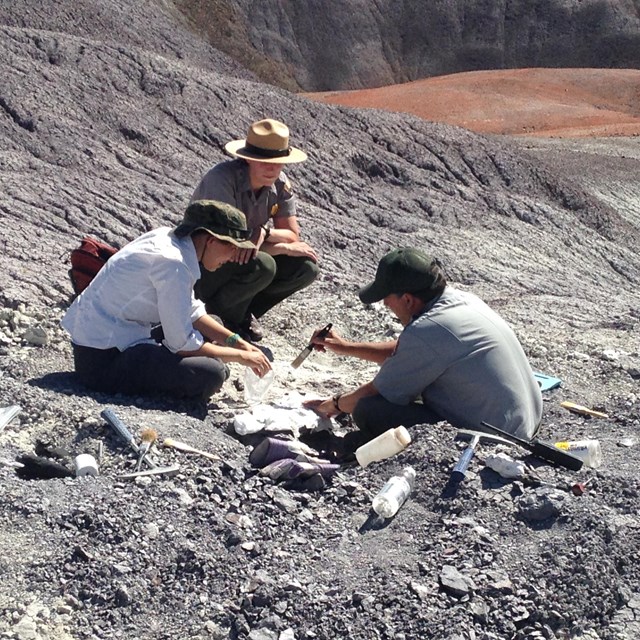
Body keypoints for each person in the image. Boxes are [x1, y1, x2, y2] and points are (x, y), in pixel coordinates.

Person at [304, 248, 542, 445]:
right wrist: (346, 347)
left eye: (388, 301)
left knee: (369, 410)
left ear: (407, 299)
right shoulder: (462, 301)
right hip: (524, 422)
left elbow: (376, 392)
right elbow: (408, 352)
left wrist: (334, 404)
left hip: (495, 439)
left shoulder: (427, 331)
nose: (387, 306)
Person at [61, 200, 272, 400]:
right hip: (104, 359)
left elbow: (192, 311)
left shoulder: (168, 239)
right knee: (212, 374)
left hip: (111, 337)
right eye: (232, 247)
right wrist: (237, 356)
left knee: (213, 324)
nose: (233, 256)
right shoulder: (174, 264)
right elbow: (182, 344)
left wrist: (238, 343)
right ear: (211, 240)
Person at [190, 118, 319, 341]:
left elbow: (291, 235)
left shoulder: (279, 183)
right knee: (263, 265)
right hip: (203, 267)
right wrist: (275, 246)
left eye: (278, 162)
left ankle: (239, 314)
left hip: (238, 257)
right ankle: (209, 317)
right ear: (248, 159)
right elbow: (228, 242)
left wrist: (264, 234)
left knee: (305, 267)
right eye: (264, 161)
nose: (272, 168)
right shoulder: (222, 179)